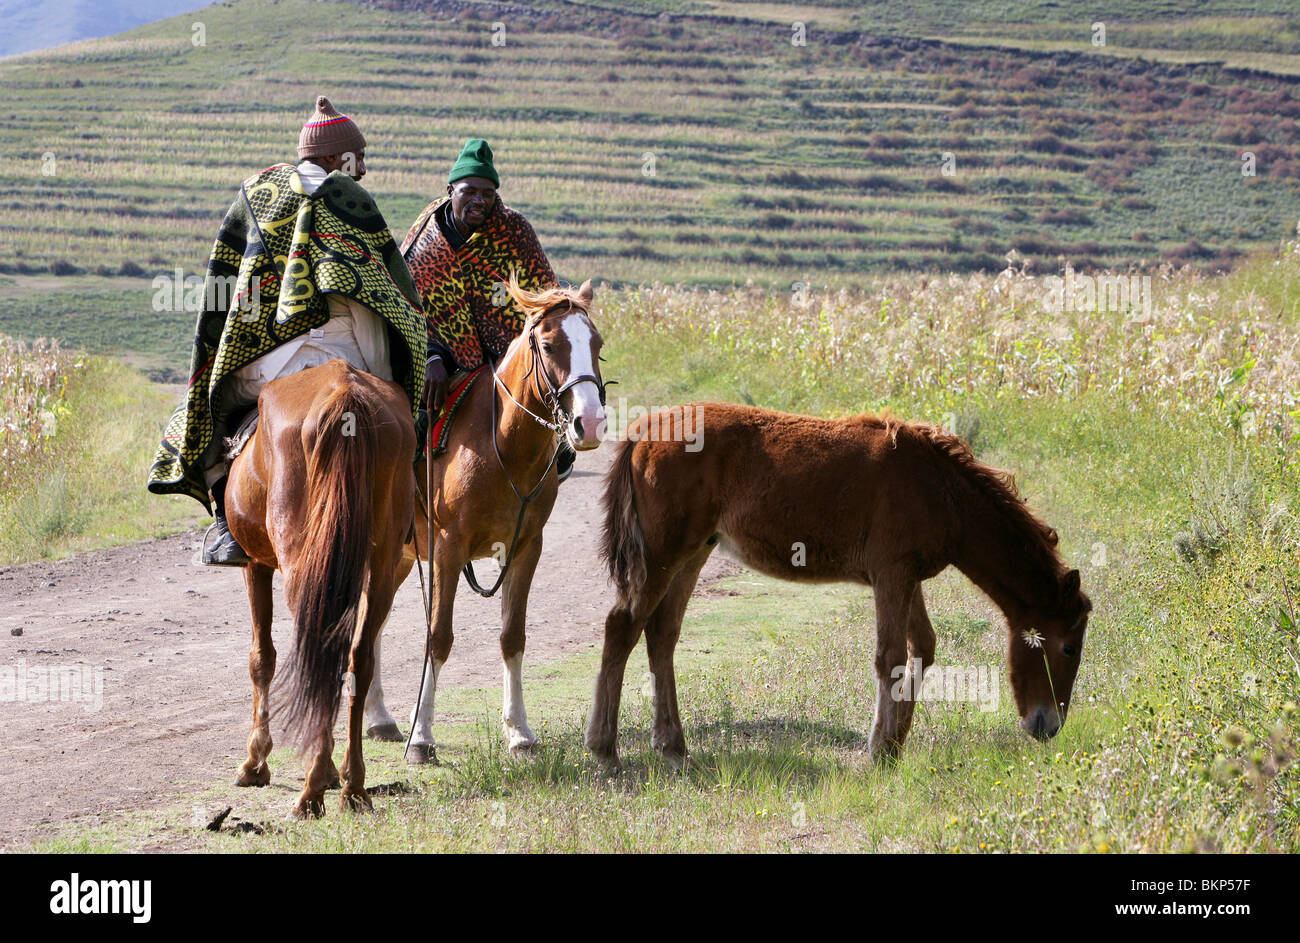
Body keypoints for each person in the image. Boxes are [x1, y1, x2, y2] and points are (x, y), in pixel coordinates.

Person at [147, 96, 426, 565]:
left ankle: (225, 523)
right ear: (338, 157)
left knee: (214, 406)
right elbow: (372, 298)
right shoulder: (350, 198)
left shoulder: (258, 192)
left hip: (267, 360)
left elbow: (231, 276)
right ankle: (401, 509)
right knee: (400, 417)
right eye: (359, 159)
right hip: (348, 349)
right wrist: (392, 383)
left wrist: (233, 351)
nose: (363, 169)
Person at [401, 139, 575, 479]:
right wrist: (429, 357)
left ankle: (553, 463)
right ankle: (409, 491)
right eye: (470, 191)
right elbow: (408, 303)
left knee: (558, 404)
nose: (479, 201)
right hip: (444, 352)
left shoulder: (514, 230)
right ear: (451, 189)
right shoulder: (428, 235)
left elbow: (546, 296)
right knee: (407, 415)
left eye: (488, 193)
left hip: (510, 349)